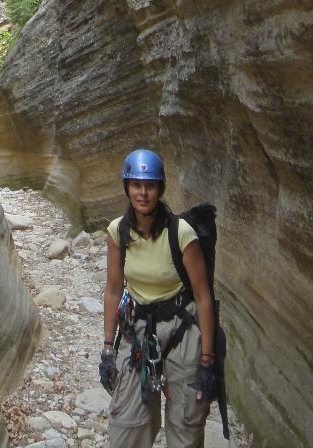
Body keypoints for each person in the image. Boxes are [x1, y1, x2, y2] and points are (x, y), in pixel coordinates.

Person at [99, 149, 217, 448]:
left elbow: (203, 296)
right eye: (136, 185)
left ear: (160, 189)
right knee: (127, 426)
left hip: (181, 329)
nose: (143, 193)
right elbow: (113, 289)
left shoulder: (181, 233)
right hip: (138, 330)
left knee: (186, 426)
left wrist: (207, 361)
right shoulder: (118, 232)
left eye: (150, 185)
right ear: (127, 187)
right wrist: (108, 349)